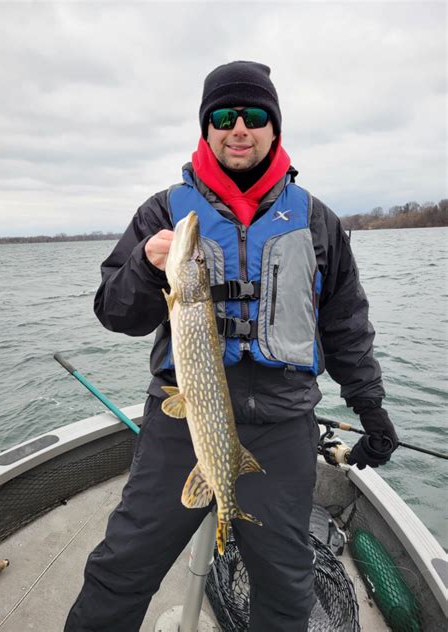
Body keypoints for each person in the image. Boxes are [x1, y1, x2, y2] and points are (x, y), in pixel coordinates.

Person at [64, 60, 398, 632]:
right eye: (223, 116)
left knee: (287, 591)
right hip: (182, 417)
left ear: (274, 127)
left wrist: (371, 408)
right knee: (120, 568)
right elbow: (113, 312)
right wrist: (147, 268)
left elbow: (346, 327)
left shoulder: (318, 222)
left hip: (283, 422)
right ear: (206, 127)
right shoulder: (163, 213)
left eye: (254, 115)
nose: (238, 127)